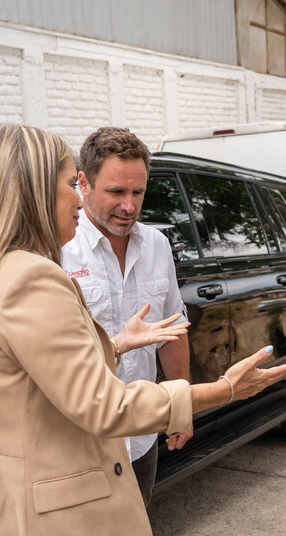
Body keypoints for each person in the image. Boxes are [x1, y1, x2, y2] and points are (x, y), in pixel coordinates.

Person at [0, 124, 286, 536]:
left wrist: (114, 345)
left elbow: (28, 371)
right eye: (68, 185)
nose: (77, 201)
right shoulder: (34, 276)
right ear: (37, 191)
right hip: (55, 504)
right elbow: (104, 406)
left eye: (138, 191)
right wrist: (224, 390)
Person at [62, 127, 191, 508]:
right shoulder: (59, 249)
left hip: (141, 438)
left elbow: (173, 328)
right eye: (116, 192)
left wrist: (181, 404)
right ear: (83, 183)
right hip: (81, 444)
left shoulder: (156, 245)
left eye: (138, 192)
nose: (130, 206)